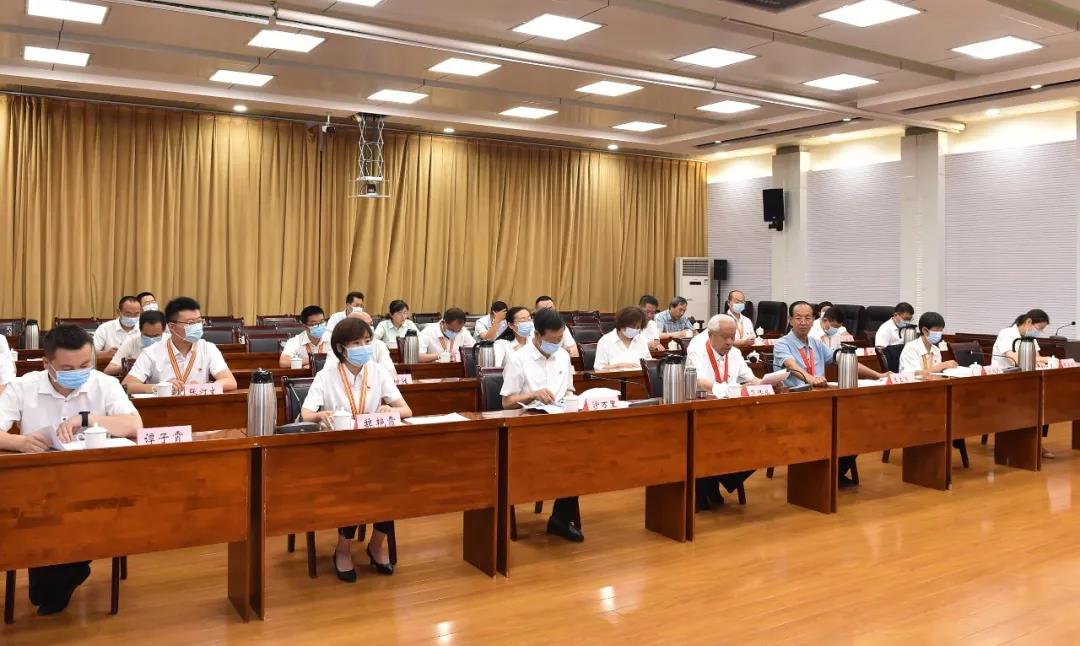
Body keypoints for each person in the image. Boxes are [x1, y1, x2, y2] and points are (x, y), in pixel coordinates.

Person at [0, 325, 142, 615]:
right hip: (39, 490)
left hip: (94, 486)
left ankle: (68, 569)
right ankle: (65, 571)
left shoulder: (104, 384)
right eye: (67, 368)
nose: (78, 373)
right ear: (46, 364)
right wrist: (19, 442)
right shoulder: (23, 386)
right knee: (44, 578)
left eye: (85, 365)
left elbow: (134, 425)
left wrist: (85, 419)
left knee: (47, 589)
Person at [300, 317, 412, 582]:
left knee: (391, 484)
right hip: (339, 453)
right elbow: (306, 413)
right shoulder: (326, 376)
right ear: (341, 348)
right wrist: (320, 415)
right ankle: (343, 549)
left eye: (367, 342)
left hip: (375, 449)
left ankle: (377, 544)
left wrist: (389, 409)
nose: (364, 348)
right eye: (357, 343)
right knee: (353, 485)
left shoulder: (377, 372)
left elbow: (406, 410)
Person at [774, 302, 885, 487]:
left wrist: (878, 375)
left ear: (814, 320)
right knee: (831, 427)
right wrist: (811, 379)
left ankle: (835, 472)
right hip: (795, 402)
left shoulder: (816, 343)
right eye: (798, 318)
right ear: (790, 320)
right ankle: (819, 475)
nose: (803, 322)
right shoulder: (782, 344)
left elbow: (843, 359)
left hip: (822, 400)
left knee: (858, 426)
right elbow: (791, 366)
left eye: (808, 318)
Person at [500, 308, 582, 542]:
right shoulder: (518, 358)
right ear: (536, 335)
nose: (556, 344)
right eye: (552, 340)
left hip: (561, 423)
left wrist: (573, 399)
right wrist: (532, 395)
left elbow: (569, 390)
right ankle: (560, 519)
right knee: (565, 458)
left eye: (560, 338)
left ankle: (560, 519)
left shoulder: (563, 356)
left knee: (581, 457)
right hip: (528, 428)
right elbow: (506, 402)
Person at [686, 314, 760, 509]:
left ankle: (718, 479)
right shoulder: (697, 351)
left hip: (733, 413)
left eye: (732, 337)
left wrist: (765, 383)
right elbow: (700, 382)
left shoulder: (735, 353)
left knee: (759, 441)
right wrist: (727, 389)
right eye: (725, 337)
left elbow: (750, 378)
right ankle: (706, 486)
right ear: (711, 335)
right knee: (713, 439)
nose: (729, 342)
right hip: (704, 413)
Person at [122, 297, 237, 394]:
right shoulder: (152, 352)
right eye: (190, 323)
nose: (197, 326)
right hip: (163, 409)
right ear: (171, 327)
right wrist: (159, 388)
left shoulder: (208, 348)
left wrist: (201, 388)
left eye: (199, 321)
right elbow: (127, 386)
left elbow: (230, 382)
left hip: (198, 407)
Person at [105, 310, 167, 376]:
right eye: (147, 335)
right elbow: (108, 370)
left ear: (163, 330)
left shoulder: (170, 341)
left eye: (156, 336)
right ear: (140, 330)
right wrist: (127, 366)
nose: (151, 339)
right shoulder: (131, 342)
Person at [899, 312, 958, 376]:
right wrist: (943, 365)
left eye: (941, 330)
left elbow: (937, 373)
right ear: (925, 330)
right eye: (936, 330)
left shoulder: (936, 350)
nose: (939, 334)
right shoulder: (911, 348)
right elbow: (914, 374)